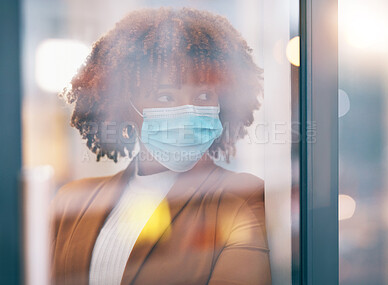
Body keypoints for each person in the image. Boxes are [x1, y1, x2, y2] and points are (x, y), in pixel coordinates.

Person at [51, 7, 271, 285]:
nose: (188, 110)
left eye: (204, 95)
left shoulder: (241, 198)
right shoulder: (76, 201)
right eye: (165, 96)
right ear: (124, 107)